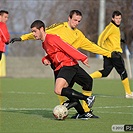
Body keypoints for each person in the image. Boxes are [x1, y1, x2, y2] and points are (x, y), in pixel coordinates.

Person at [10, 10, 118, 115]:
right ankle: (77, 108)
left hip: (69, 63)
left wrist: (108, 54)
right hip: (59, 65)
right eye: (75, 20)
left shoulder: (78, 35)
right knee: (63, 91)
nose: (76, 23)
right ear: (69, 18)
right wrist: (22, 38)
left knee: (86, 82)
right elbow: (40, 33)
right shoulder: (58, 28)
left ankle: (84, 110)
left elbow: (90, 46)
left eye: (79, 21)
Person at [31, 20, 96, 119]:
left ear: (41, 29)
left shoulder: (52, 38)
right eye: (32, 32)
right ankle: (82, 113)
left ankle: (88, 98)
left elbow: (67, 47)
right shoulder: (44, 43)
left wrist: (82, 57)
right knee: (73, 90)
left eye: (34, 31)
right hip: (67, 66)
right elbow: (52, 54)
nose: (33, 34)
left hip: (67, 65)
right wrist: (45, 59)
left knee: (58, 90)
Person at [90, 11, 133, 98]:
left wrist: (120, 40)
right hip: (114, 54)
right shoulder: (111, 27)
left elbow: (111, 38)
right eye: (116, 18)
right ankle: (128, 93)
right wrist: (100, 50)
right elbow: (101, 38)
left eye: (119, 18)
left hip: (109, 54)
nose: (118, 20)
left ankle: (88, 77)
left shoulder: (115, 28)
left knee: (105, 72)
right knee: (123, 72)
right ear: (112, 18)